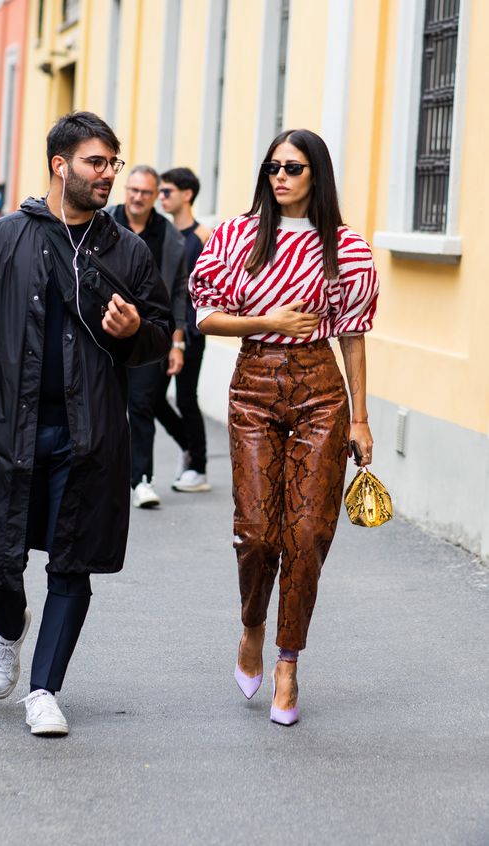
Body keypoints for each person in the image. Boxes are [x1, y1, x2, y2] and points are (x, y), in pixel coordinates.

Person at [0, 112, 173, 737]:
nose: (109, 174)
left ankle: (44, 689)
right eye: (95, 162)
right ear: (60, 165)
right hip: (6, 431)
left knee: (71, 563)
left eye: (113, 162)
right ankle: (8, 628)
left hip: (89, 436)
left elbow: (158, 332)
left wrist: (137, 333)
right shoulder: (0, 242)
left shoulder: (125, 250)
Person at [190, 129, 378, 726]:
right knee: (256, 530)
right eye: (273, 166)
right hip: (254, 385)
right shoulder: (236, 235)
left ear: (316, 175)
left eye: (293, 167)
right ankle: (252, 625)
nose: (281, 176)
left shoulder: (346, 248)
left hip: (323, 392)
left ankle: (289, 663)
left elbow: (352, 333)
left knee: (307, 532)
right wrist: (267, 319)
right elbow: (204, 317)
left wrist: (363, 417)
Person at [106, 166, 187, 508]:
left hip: (148, 335)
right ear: (126, 191)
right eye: (133, 190)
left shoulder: (170, 237)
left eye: (146, 192)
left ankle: (141, 480)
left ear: (156, 196)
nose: (138, 197)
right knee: (104, 407)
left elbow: (180, 293)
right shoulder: (103, 222)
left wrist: (177, 343)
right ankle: (104, 478)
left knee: (141, 405)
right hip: (103, 331)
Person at [158, 167, 211, 493]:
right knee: (148, 399)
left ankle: (199, 467)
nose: (161, 197)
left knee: (187, 398)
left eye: (167, 191)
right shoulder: (162, 232)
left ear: (186, 194)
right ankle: (187, 445)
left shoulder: (204, 236)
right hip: (161, 330)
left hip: (191, 330)